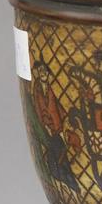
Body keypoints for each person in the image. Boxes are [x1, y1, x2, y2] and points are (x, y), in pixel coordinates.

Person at [32, 59, 78, 191]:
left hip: (56, 126)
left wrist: (63, 122)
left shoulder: (49, 89)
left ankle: (70, 181)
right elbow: (40, 109)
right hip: (47, 128)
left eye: (45, 71)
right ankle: (65, 180)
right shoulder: (37, 90)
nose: (43, 74)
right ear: (37, 73)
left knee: (60, 151)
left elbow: (56, 107)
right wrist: (46, 125)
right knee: (56, 153)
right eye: (41, 71)